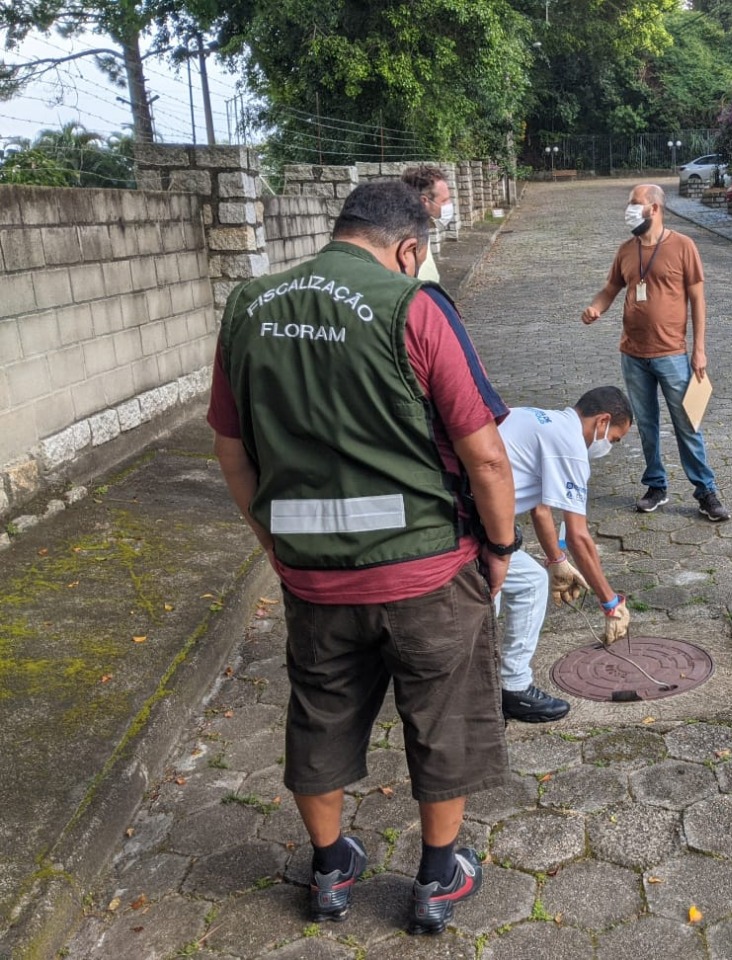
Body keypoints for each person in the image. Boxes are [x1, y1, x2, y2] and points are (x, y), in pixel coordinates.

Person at [207, 180, 515, 935]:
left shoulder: (249, 306)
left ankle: (330, 870)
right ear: (409, 248)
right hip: (428, 573)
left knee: (320, 717)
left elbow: (230, 448)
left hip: (312, 578)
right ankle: (438, 879)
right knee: (442, 720)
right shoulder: (414, 307)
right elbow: (487, 459)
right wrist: (502, 548)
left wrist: (275, 546)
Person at [581, 183, 730, 522]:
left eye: (635, 204)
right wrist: (595, 308)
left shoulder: (683, 247)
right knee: (646, 424)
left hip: (672, 353)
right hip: (633, 353)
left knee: (687, 424)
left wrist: (699, 349)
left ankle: (705, 491)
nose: (629, 209)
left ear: (655, 208)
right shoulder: (626, 250)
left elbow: (697, 300)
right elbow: (610, 288)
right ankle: (655, 485)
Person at [495, 387, 635, 722]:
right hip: (464, 530)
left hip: (472, 517)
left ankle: (511, 685)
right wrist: (610, 603)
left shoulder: (540, 418)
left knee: (530, 582)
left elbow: (541, 509)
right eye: (614, 439)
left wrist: (557, 563)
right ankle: (482, 698)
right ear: (602, 420)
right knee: (485, 606)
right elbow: (578, 536)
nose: (608, 447)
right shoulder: (571, 446)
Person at [401, 166, 455, 285]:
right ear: (424, 201)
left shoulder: (421, 224)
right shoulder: (407, 237)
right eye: (444, 200)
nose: (449, 204)